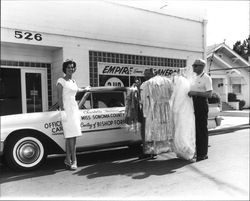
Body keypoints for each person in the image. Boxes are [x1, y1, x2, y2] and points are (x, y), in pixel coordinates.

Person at [57, 59, 90, 170]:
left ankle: (68, 159)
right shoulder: (61, 81)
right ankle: (74, 160)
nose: (71, 69)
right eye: (68, 67)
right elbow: (59, 98)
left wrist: (85, 88)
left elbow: (75, 91)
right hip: (66, 110)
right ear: (65, 69)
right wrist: (63, 112)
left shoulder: (73, 81)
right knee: (70, 136)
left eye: (72, 67)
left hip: (74, 109)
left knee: (71, 136)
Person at [188, 59, 213, 161]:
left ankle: (203, 153)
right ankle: (196, 151)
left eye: (196, 66)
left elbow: (209, 94)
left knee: (201, 129)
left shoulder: (206, 78)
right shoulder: (194, 77)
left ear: (202, 67)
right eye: (193, 65)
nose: (194, 67)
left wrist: (195, 93)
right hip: (192, 103)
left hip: (201, 103)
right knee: (194, 128)